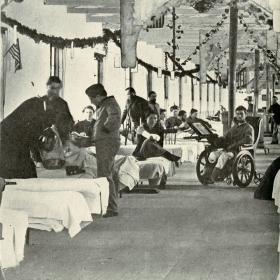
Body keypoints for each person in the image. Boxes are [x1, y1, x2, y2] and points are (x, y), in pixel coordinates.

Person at [0, 76, 74, 179]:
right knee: (15, 171)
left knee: (27, 172)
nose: (55, 92)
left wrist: (64, 142)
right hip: (7, 138)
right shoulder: (34, 105)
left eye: (57, 88)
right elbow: (31, 134)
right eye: (52, 88)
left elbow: (64, 124)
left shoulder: (56, 106)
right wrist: (38, 158)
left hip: (21, 139)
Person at [85, 83, 121, 218]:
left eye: (91, 98)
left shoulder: (110, 103)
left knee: (105, 174)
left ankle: (111, 207)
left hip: (107, 141)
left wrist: (104, 130)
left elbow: (115, 118)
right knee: (109, 172)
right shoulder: (104, 105)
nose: (91, 101)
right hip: (105, 141)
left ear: (99, 96)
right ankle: (111, 204)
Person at [206, 106, 254, 182]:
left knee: (223, 156)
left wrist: (233, 145)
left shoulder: (248, 128)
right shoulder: (234, 127)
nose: (239, 116)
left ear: (246, 114)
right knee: (212, 154)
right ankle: (208, 174)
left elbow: (248, 140)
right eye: (237, 114)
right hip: (228, 149)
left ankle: (213, 177)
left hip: (238, 151)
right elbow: (226, 137)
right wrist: (217, 140)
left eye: (241, 114)